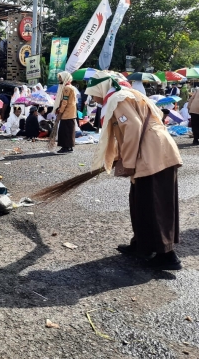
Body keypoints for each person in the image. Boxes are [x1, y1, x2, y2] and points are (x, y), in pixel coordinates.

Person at [86, 70, 183, 270]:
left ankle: (167, 256)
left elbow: (132, 129)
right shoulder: (126, 95)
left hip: (152, 154)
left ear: (101, 88)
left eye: (93, 92)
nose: (92, 97)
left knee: (155, 204)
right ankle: (142, 245)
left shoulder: (119, 99)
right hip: (153, 151)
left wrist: (128, 163)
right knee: (140, 202)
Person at [54, 71, 77, 153]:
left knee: (64, 131)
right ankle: (69, 146)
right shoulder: (71, 87)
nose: (59, 79)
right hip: (71, 112)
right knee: (70, 130)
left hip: (67, 112)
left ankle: (65, 147)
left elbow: (64, 102)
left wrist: (60, 112)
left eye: (60, 77)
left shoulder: (66, 88)